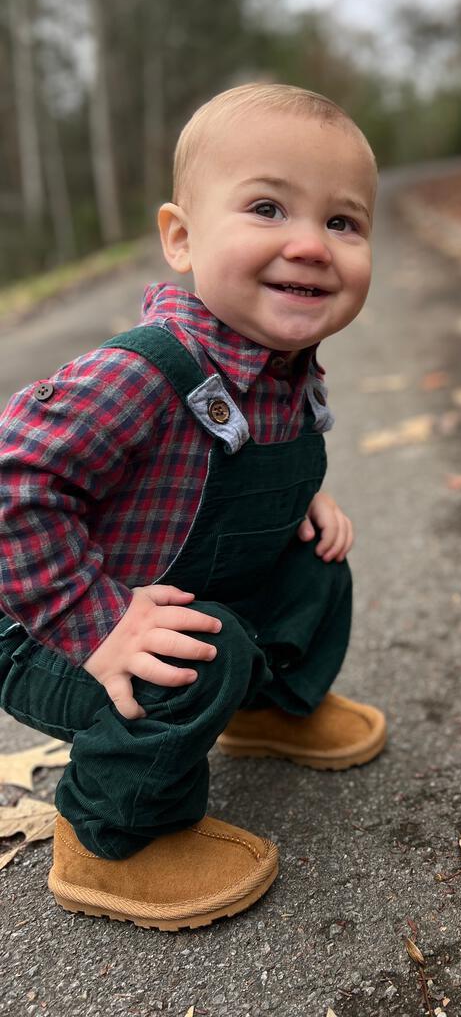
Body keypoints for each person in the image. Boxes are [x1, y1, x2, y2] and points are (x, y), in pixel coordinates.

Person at [0, 83, 385, 930]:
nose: (310, 246)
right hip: (42, 624)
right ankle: (110, 841)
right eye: (267, 207)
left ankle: (267, 712)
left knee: (312, 565)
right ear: (181, 237)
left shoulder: (283, 367)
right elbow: (12, 481)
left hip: (168, 585)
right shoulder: (141, 371)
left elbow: (225, 470)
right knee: (188, 653)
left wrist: (304, 498)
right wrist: (96, 621)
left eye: (343, 222)